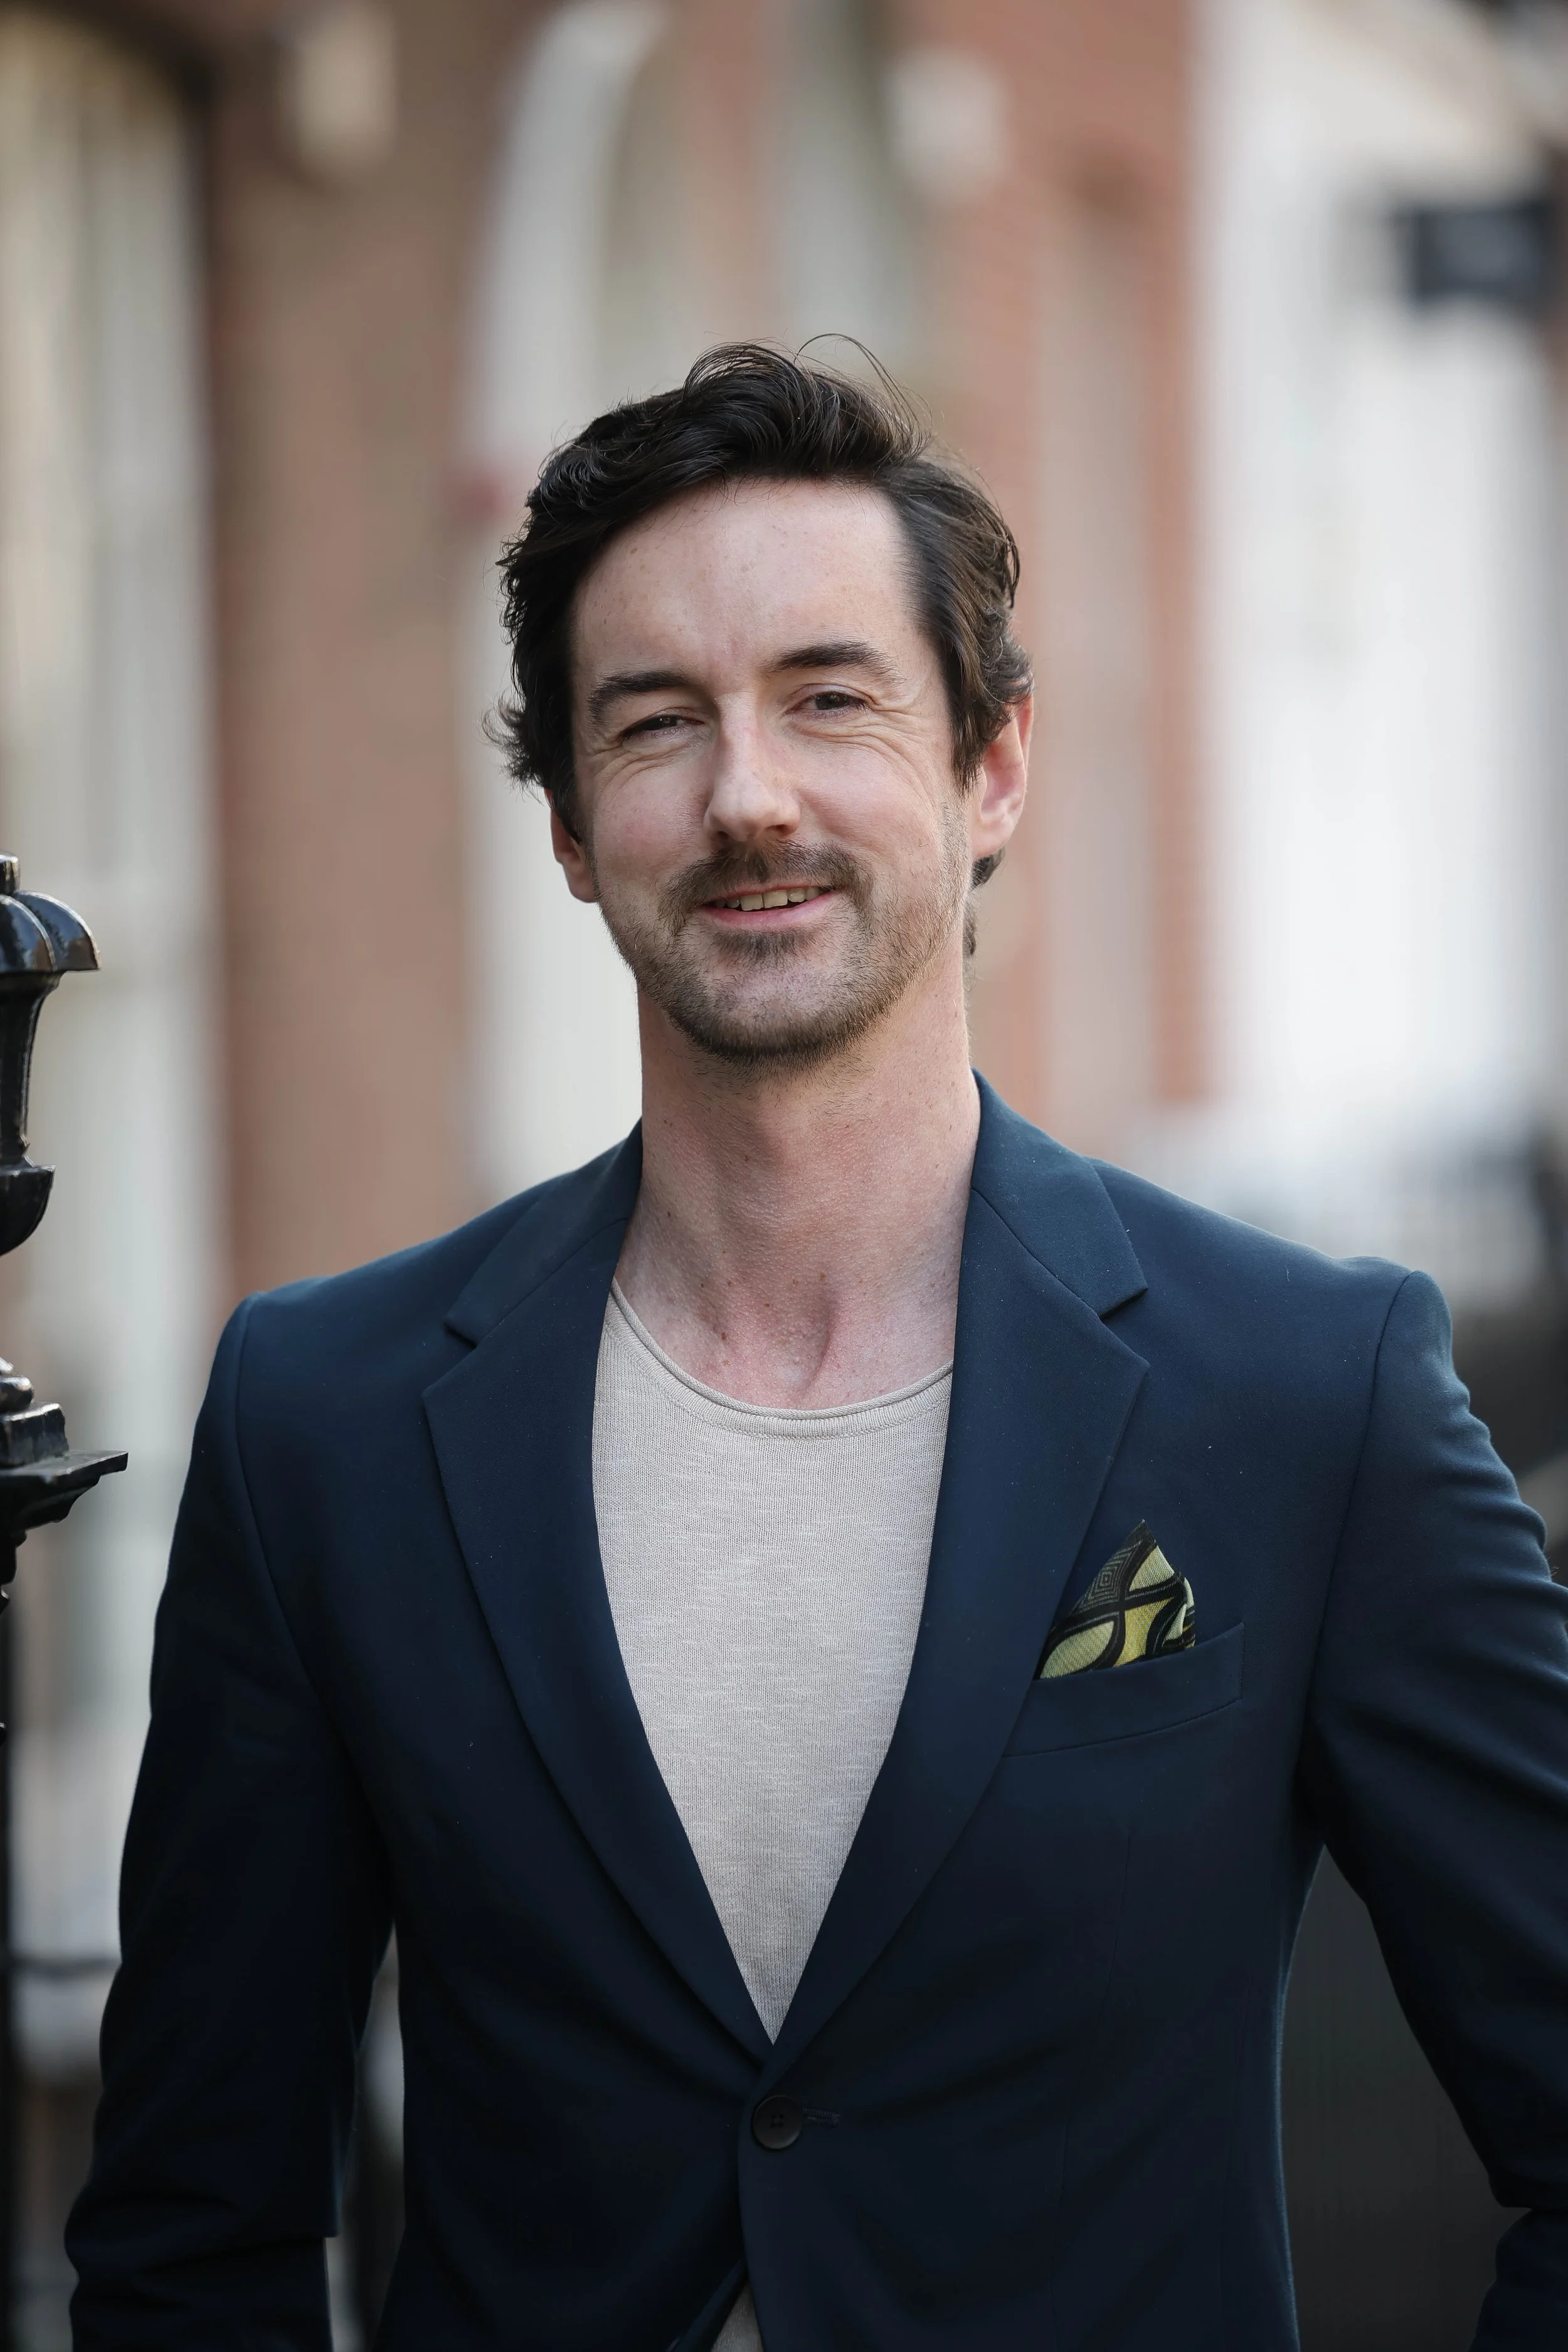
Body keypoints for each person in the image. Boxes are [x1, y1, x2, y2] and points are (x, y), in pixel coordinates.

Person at [68, 346, 1568, 2351]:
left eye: (829, 698)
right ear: (572, 826)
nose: (747, 792)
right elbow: (194, 2223)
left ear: (991, 765)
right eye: (655, 721)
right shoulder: (319, 1423)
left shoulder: (1309, 1394)